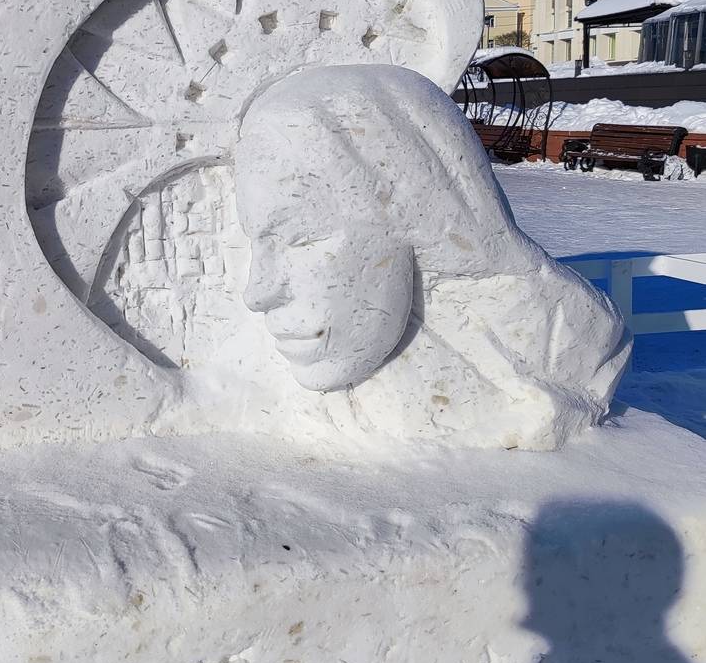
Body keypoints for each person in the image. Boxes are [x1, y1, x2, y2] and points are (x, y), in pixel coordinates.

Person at [234, 64, 629, 451]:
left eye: (302, 238)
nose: (258, 292)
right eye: (258, 242)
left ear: (415, 204)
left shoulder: (568, 343)